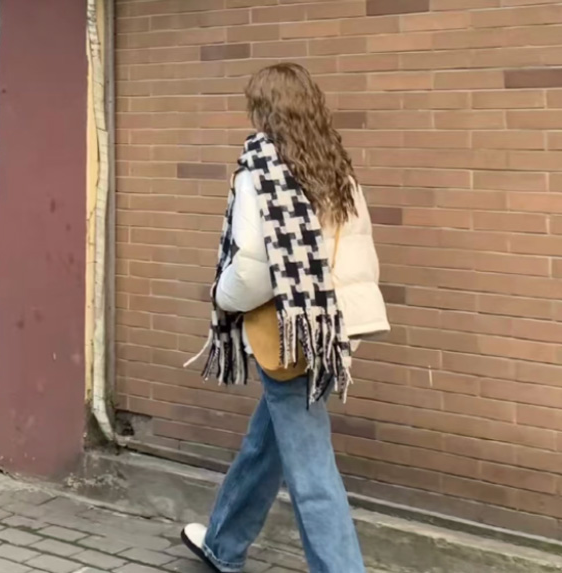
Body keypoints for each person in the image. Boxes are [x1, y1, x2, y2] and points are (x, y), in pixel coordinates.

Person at [181, 63, 389, 573]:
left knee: (312, 474)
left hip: (290, 332)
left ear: (264, 111)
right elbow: (361, 253)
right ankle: (224, 544)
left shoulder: (262, 169)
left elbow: (254, 269)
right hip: (333, 326)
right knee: (266, 445)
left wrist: (223, 297)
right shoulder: (333, 164)